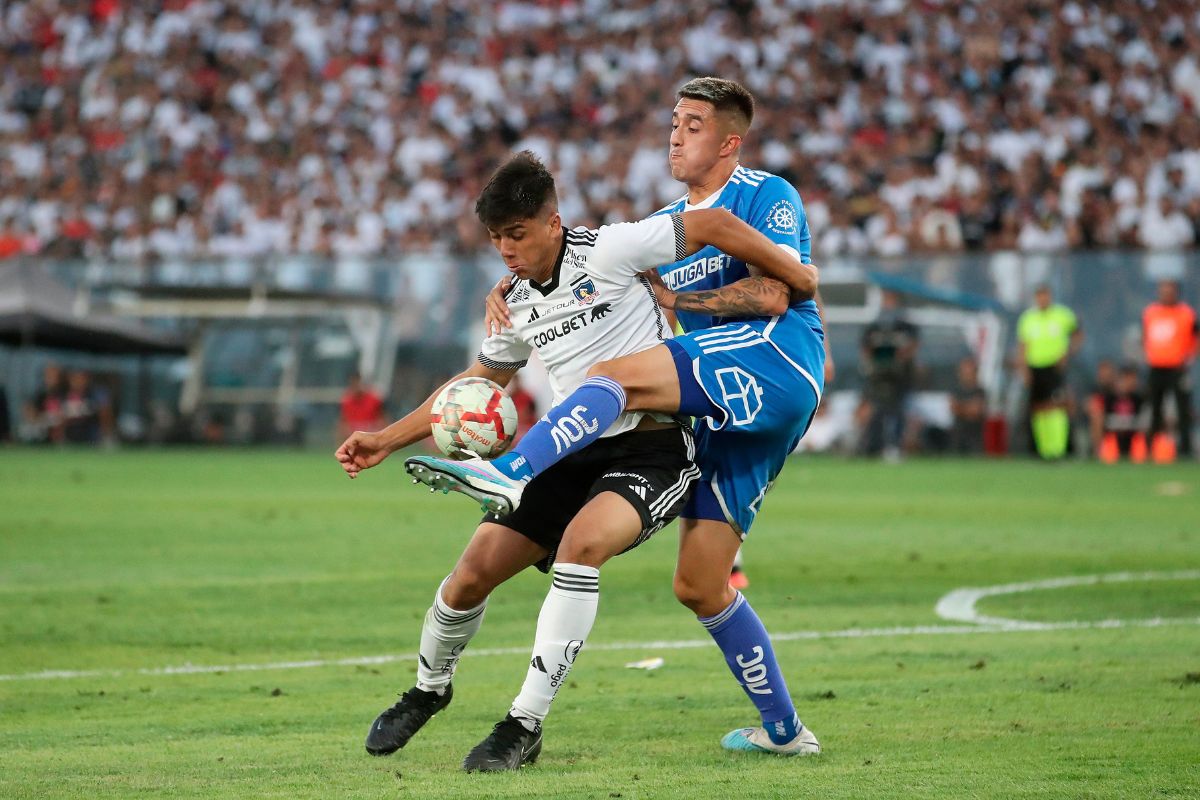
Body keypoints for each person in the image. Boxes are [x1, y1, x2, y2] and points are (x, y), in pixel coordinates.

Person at [336, 150, 811, 770]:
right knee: (471, 574)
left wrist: (796, 275)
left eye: (517, 234)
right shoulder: (514, 301)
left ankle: (523, 723)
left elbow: (703, 226)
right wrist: (385, 439)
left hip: (653, 448)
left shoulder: (610, 250)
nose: (506, 249)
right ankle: (428, 691)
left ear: (552, 222)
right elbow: (478, 384)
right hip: (572, 446)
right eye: (496, 239)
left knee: (580, 549)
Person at [1016, 285, 1082, 460]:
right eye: (1039, 296)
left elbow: (1078, 334)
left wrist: (1067, 354)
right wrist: (1024, 370)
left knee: (1057, 406)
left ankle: (1058, 449)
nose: (1042, 299)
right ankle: (1042, 450)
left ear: (1050, 296)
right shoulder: (1028, 319)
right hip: (1035, 367)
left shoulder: (1063, 315)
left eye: (1045, 295)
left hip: (1054, 368)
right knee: (1038, 408)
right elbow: (1023, 347)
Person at [858, 290, 920, 460]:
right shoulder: (874, 326)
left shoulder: (906, 326)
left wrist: (899, 357)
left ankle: (896, 446)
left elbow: (913, 346)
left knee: (898, 412)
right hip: (878, 377)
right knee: (877, 412)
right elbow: (866, 348)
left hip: (900, 377)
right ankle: (874, 447)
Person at [1142, 280, 1196, 460]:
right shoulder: (1150, 312)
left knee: (1183, 408)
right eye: (1163, 291)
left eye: (1169, 291)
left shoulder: (1186, 314)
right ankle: (1153, 448)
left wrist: (1189, 357)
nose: (1166, 294)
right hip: (1156, 366)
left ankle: (1185, 449)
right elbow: (1146, 336)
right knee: (1155, 409)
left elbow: (1195, 338)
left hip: (1177, 368)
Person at [1097, 364, 1146, 462]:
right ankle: (1098, 452)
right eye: (1129, 379)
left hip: (1133, 436)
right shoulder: (1110, 397)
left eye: (1134, 379)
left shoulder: (1138, 398)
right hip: (1113, 436)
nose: (1133, 382)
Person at [949, 357, 986, 455]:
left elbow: (977, 411)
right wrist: (969, 407)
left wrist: (962, 407)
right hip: (958, 436)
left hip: (975, 437)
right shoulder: (956, 390)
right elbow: (954, 409)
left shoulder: (980, 391)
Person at [337, 372, 385, 441]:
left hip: (372, 438)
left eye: (357, 383)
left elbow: (383, 420)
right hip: (353, 440)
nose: (356, 386)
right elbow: (342, 423)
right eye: (353, 384)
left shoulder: (374, 399)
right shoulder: (346, 401)